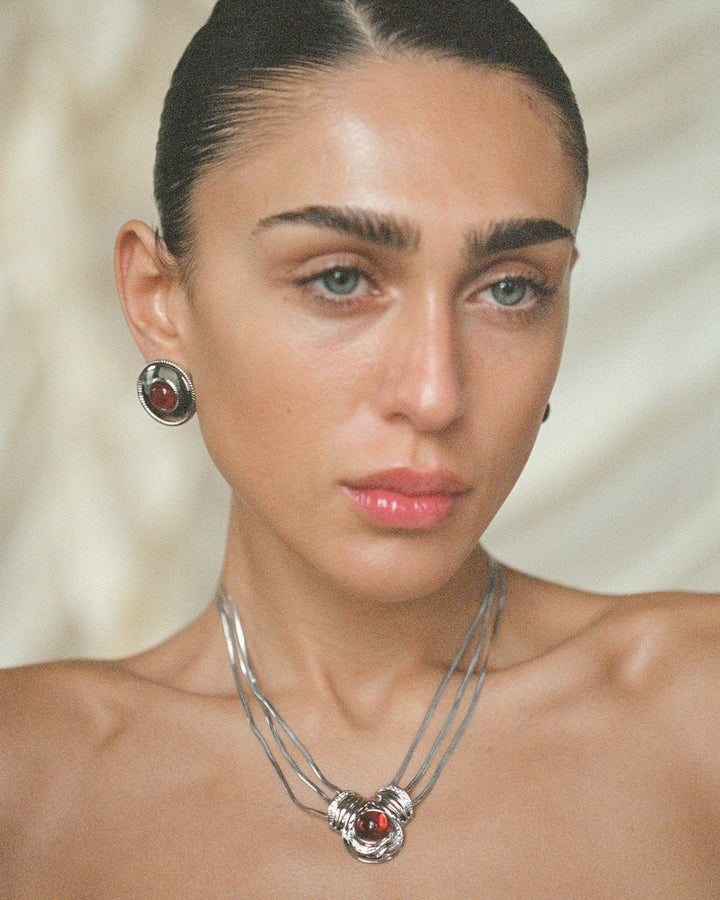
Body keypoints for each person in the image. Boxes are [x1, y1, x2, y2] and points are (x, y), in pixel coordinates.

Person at [1, 1, 718, 896]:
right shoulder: (28, 779)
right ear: (160, 300)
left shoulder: (696, 705)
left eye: (509, 290)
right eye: (340, 279)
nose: (435, 393)